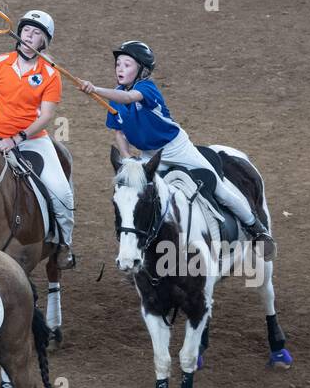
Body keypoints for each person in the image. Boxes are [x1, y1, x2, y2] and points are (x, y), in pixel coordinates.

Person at [80, 40, 274, 245]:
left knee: (218, 188)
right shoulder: (115, 96)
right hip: (149, 155)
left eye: (127, 65)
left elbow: (128, 98)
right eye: (118, 64)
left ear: (142, 71)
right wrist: (128, 158)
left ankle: (256, 228)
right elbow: (118, 131)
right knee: (141, 197)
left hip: (177, 148)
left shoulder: (146, 88)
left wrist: (94, 89)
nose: (120, 68)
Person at [0, 9, 76, 259]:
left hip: (33, 141)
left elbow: (45, 116)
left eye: (36, 33)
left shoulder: (51, 74)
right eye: (26, 31)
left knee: (61, 191)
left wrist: (17, 138)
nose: (29, 36)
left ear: (44, 41)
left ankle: (63, 245)